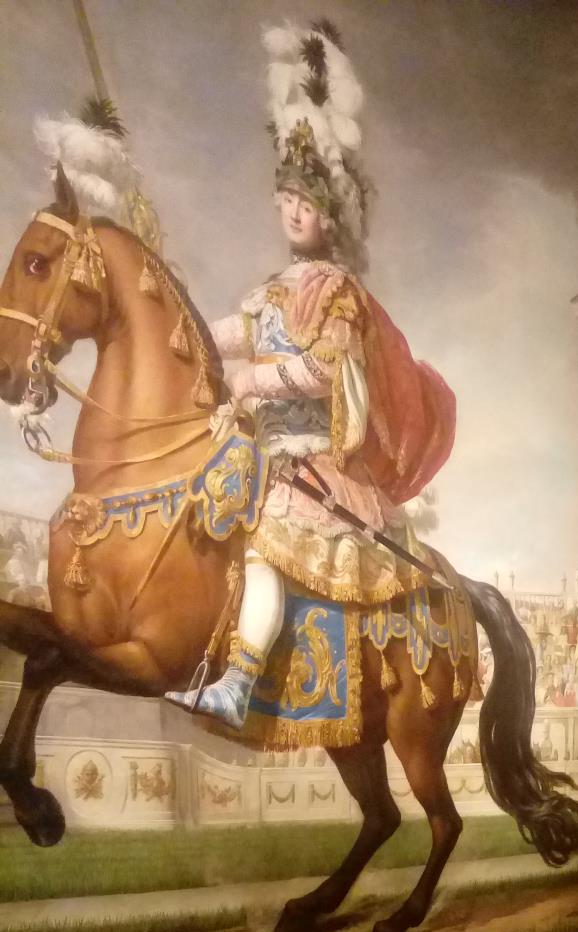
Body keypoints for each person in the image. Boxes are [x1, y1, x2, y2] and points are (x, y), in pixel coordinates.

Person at [168, 21, 455, 730]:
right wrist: (180, 324)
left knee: (262, 551)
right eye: (288, 200)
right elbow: (234, 335)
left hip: (312, 465)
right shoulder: (273, 288)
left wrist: (251, 383)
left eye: (310, 203)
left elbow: (325, 371)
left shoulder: (338, 292)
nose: (295, 212)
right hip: (260, 454)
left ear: (332, 217)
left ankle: (238, 686)